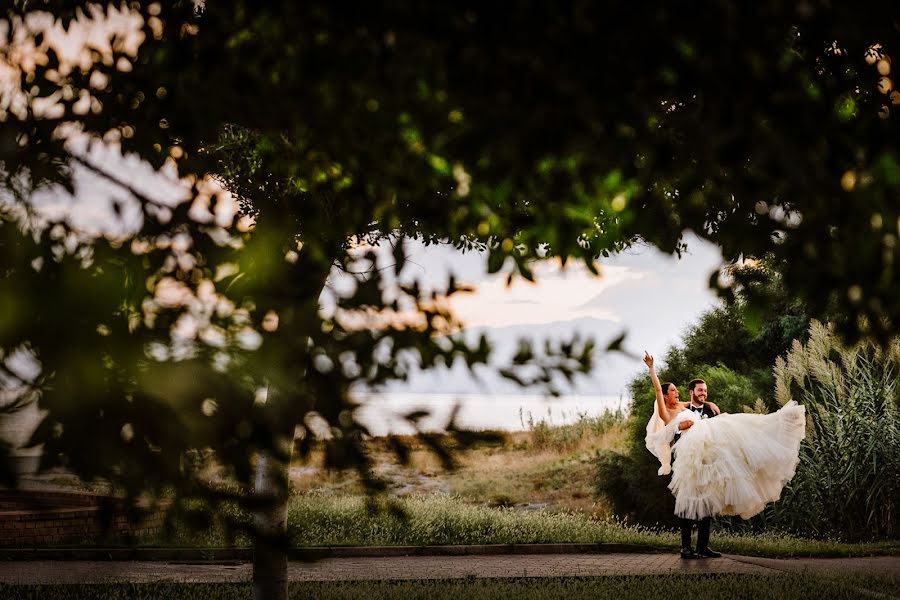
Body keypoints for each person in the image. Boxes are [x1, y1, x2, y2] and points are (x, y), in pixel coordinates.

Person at [642, 352, 806, 560]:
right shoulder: (667, 412)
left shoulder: (684, 406)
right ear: (665, 395)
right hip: (689, 458)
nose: (676, 392)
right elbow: (658, 390)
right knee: (687, 502)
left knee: (708, 500)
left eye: (676, 390)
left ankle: (702, 547)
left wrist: (708, 405)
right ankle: (685, 548)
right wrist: (651, 368)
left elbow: (696, 403)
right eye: (673, 390)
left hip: (706, 456)